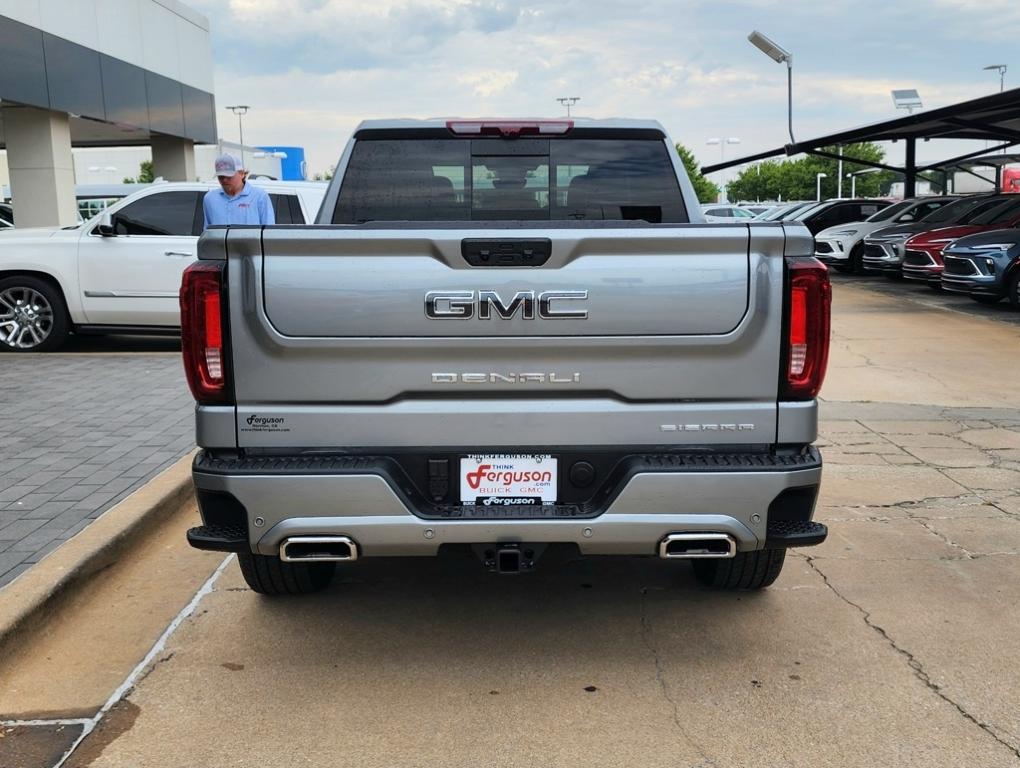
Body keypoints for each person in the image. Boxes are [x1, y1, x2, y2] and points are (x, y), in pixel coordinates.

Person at [202, 153, 275, 228]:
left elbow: (269, 232)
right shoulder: (210, 199)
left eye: (229, 176)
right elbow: (208, 232)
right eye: (221, 177)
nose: (224, 180)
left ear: (242, 173)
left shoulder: (259, 197)